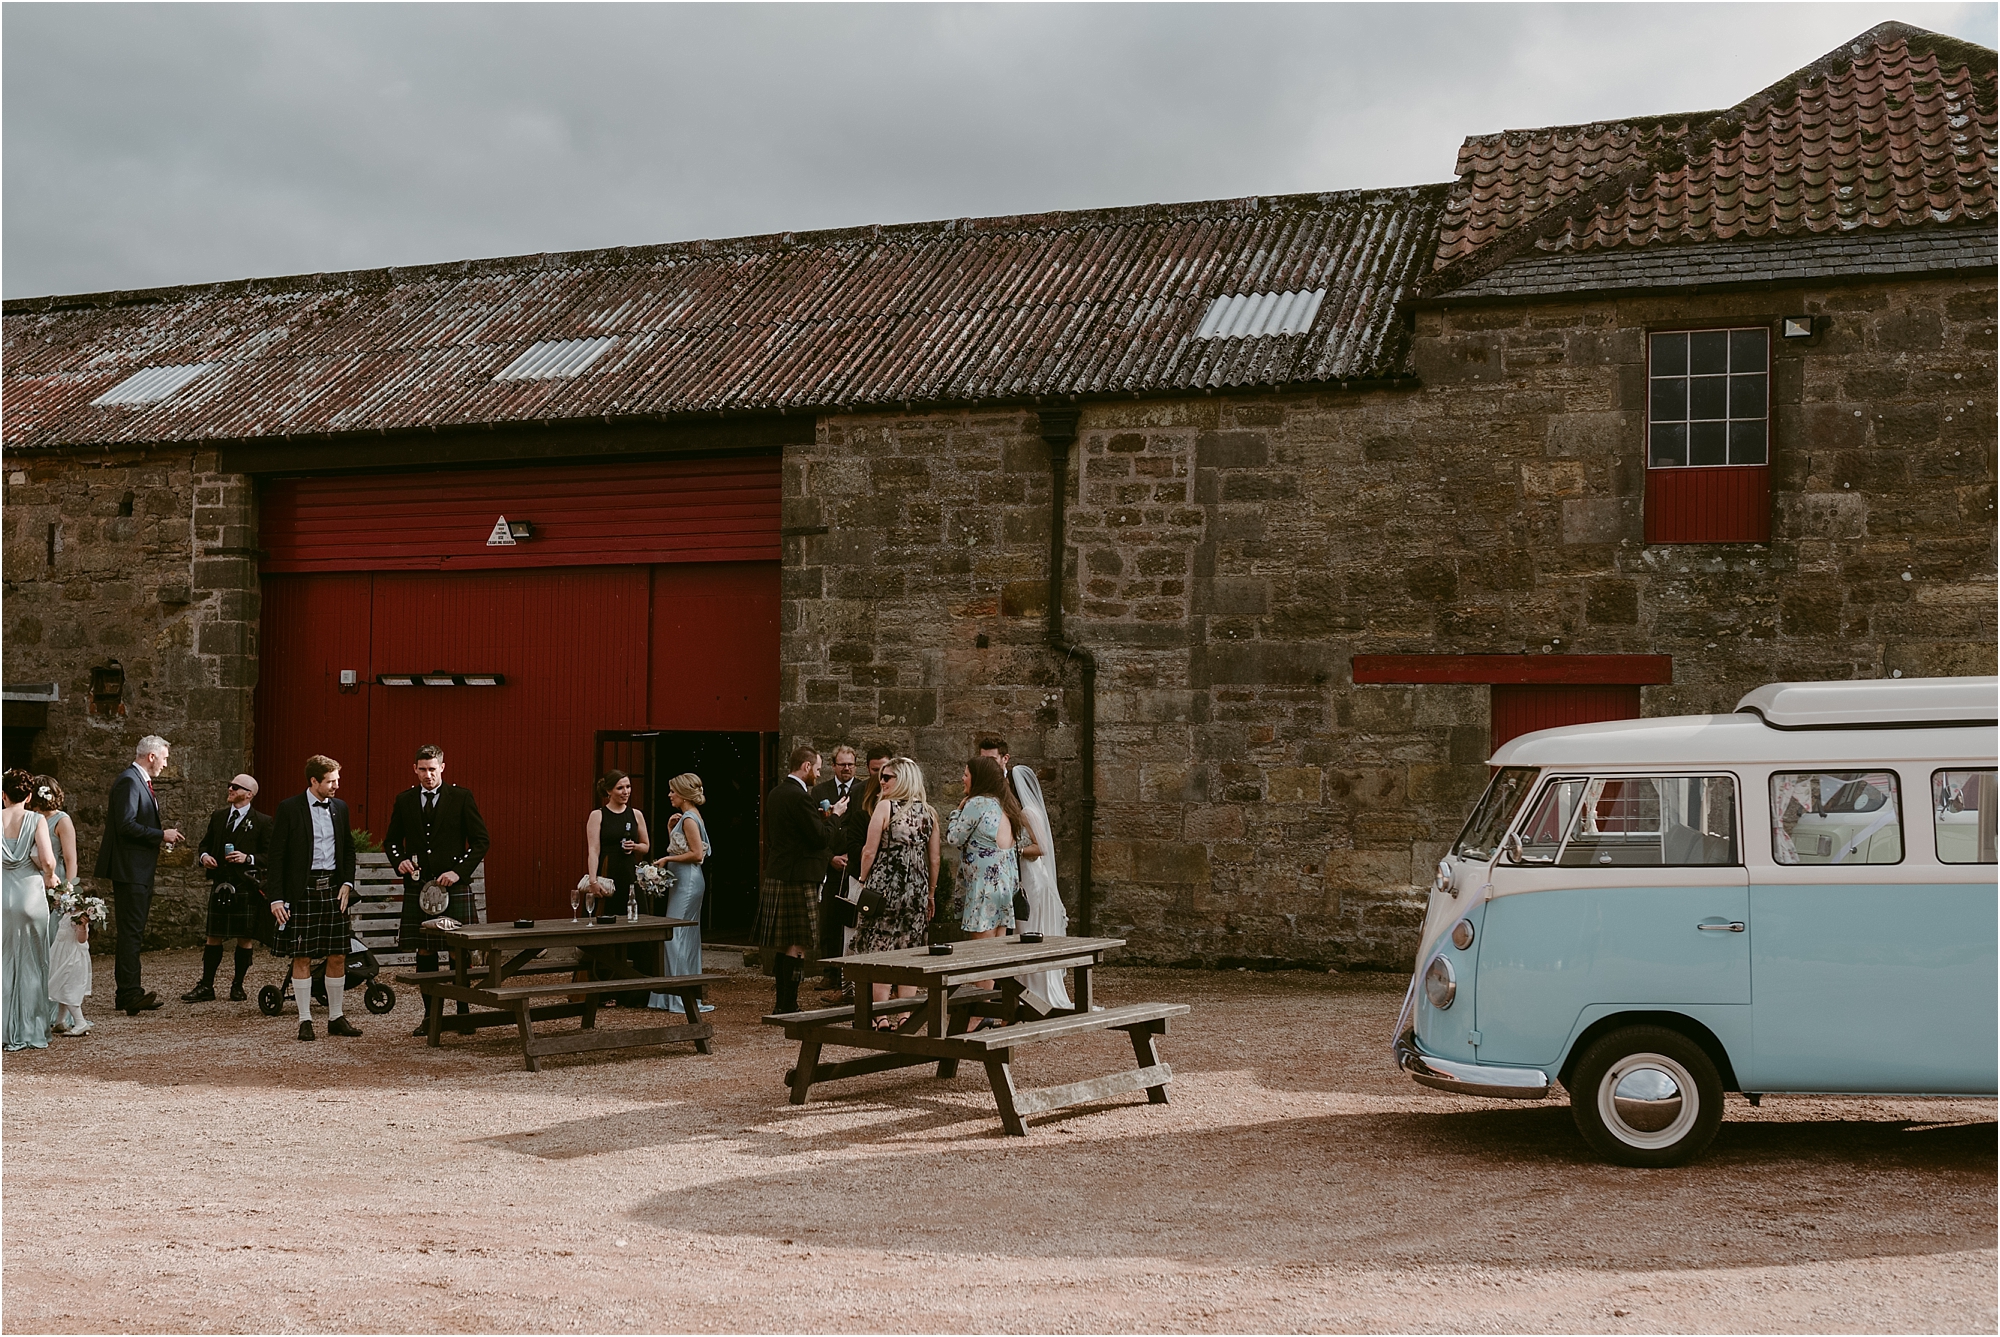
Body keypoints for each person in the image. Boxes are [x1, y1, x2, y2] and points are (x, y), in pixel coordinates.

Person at [385, 745, 490, 1033]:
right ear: (415, 769)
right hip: (419, 886)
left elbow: (481, 840)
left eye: (433, 769)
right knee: (425, 950)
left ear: (443, 767)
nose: (428, 775)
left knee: (458, 950)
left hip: (453, 886)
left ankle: (463, 1014)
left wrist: (458, 872)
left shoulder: (461, 797)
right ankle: (430, 1016)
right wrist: (400, 861)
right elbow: (392, 841)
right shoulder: (405, 800)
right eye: (422, 769)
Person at [267, 755, 361, 1041]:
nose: (336, 785)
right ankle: (305, 1019)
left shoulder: (340, 808)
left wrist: (347, 882)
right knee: (302, 955)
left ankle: (335, 1017)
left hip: (333, 891)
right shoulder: (289, 808)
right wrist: (276, 898)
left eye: (337, 780)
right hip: (302, 891)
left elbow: (347, 849)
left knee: (338, 954)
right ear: (314, 781)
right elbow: (277, 856)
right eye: (331, 781)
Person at [93, 735, 184, 1016]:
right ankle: (129, 993)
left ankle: (129, 992)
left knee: (134, 931)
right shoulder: (130, 781)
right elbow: (126, 825)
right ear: (152, 756)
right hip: (130, 869)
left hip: (138, 868)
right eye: (165, 758)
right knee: (131, 932)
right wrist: (160, 834)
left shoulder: (138, 781)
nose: (166, 764)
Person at [758, 746, 847, 1014]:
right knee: (797, 944)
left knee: (784, 943)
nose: (818, 775)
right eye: (817, 769)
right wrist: (835, 816)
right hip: (799, 876)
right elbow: (819, 837)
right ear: (806, 766)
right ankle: (789, 1004)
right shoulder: (800, 797)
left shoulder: (776, 793)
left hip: (779, 872)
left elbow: (794, 831)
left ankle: (782, 1004)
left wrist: (822, 816)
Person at [854, 758, 941, 1026]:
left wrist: (862, 880)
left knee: (881, 946)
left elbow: (869, 850)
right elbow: (935, 859)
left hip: (885, 886)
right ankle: (905, 1015)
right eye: (882, 776)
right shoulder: (929, 812)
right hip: (916, 888)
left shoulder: (885, 807)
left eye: (888, 777)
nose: (882, 781)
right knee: (910, 947)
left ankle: (880, 1016)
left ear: (902, 779)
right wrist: (931, 894)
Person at [183, 773, 271, 1004]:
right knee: (213, 936)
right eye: (229, 785)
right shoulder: (219, 816)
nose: (230, 789)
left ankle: (238, 986)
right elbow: (205, 843)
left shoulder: (262, 821)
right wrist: (204, 857)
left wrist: (248, 857)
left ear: (249, 794)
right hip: (221, 884)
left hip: (245, 886)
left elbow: (270, 856)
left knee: (245, 937)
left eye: (235, 787)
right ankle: (206, 985)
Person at [3, 769, 60, 1051]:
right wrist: (49, 875)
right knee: (33, 963)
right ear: (28, 796)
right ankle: (31, 1027)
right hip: (29, 895)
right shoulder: (36, 819)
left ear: (3, 796)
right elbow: (48, 861)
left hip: (3, 895)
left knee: (3, 962)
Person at [647, 773, 713, 1014]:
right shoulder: (686, 818)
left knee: (674, 936)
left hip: (688, 881)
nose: (670, 795)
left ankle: (678, 996)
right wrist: (669, 830)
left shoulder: (689, 819)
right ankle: (681, 993)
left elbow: (697, 854)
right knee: (684, 936)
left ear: (683, 793)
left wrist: (666, 858)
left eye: (673, 791)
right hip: (684, 880)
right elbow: (683, 847)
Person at [1009, 764, 1073, 1009]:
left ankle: (1034, 989)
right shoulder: (1026, 811)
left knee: (1030, 927)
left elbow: (1041, 848)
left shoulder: (1027, 812)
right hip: (1029, 874)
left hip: (1032, 876)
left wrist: (1016, 851)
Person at [584, 771, 651, 1005]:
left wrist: (636, 846)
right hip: (607, 872)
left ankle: (638, 992)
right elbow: (593, 849)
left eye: (628, 787)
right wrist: (593, 880)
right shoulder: (598, 815)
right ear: (609, 791)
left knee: (637, 927)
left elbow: (646, 846)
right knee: (606, 931)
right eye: (621, 788)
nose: (626, 792)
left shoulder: (636, 815)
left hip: (629, 875)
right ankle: (604, 991)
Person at [30, 777, 90, 1034]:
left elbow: (71, 859)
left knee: (55, 946)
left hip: (56, 890)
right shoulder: (30, 818)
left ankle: (57, 1009)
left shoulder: (62, 820)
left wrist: (68, 892)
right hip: (32, 886)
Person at [809, 745, 862, 992]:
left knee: (850, 920)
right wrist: (830, 857)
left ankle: (849, 972)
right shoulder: (820, 791)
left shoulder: (863, 791)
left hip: (854, 862)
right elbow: (814, 831)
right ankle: (830, 972)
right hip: (829, 865)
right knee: (829, 919)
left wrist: (851, 856)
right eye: (842, 764)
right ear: (833, 766)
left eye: (850, 764)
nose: (847, 768)